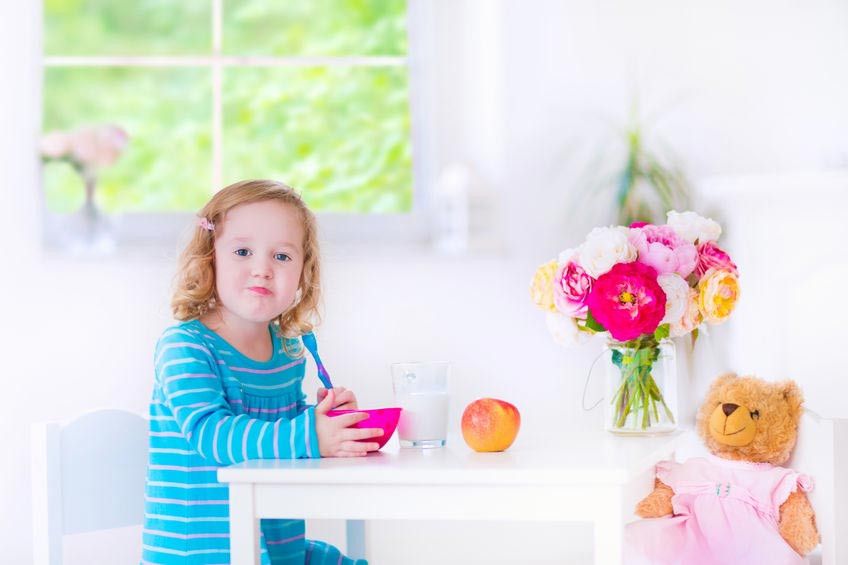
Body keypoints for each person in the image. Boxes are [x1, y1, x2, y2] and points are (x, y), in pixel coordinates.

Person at [142, 179, 382, 564]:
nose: (262, 270)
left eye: (282, 257)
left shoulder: (287, 352)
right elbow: (212, 435)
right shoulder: (186, 348)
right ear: (210, 259)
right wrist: (309, 434)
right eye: (242, 251)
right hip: (206, 555)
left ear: (304, 273)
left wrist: (324, 423)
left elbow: (278, 442)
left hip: (275, 550)